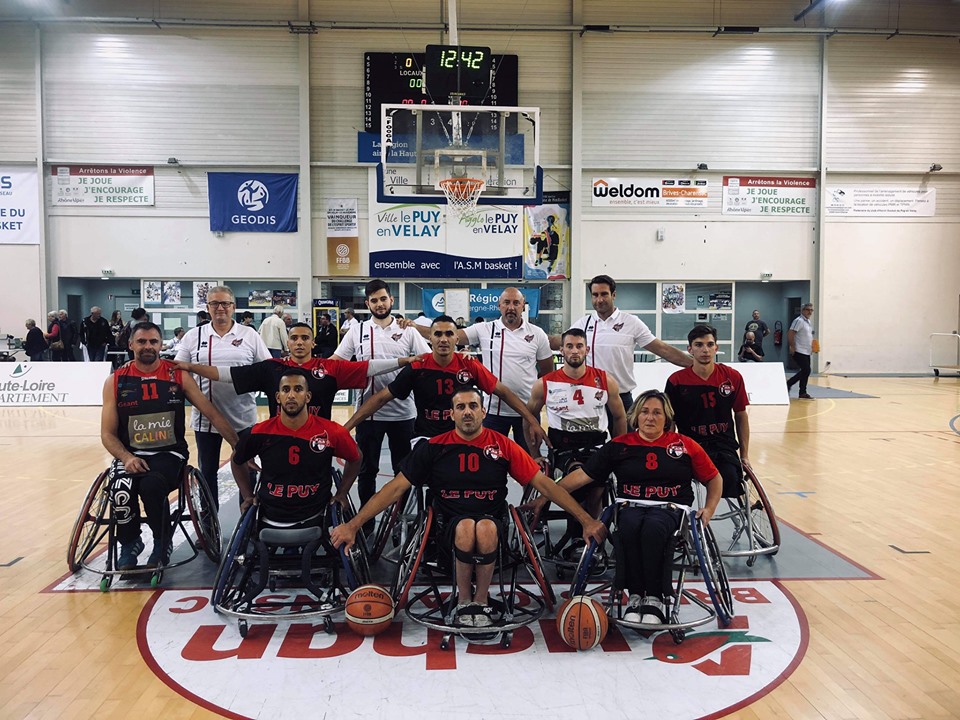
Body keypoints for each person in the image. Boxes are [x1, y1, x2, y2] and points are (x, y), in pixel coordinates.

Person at [331, 387, 605, 627]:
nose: (467, 412)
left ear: (483, 412)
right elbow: (394, 489)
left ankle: (481, 600)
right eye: (460, 407)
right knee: (465, 527)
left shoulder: (503, 445)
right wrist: (353, 525)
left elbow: (546, 485)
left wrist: (586, 520)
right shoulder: (434, 447)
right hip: (445, 527)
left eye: (473, 406)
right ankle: (464, 600)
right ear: (451, 414)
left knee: (484, 527)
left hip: (492, 522)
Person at [535, 389, 721, 625]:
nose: (650, 418)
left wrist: (710, 508)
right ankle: (634, 595)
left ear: (667, 418)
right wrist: (545, 496)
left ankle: (655, 597)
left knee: (653, 529)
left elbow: (714, 478)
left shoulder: (685, 445)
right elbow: (582, 476)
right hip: (630, 506)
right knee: (629, 527)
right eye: (644, 412)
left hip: (671, 509)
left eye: (657, 413)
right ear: (635, 416)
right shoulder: (619, 445)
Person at [101, 321, 238, 570]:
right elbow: (107, 434)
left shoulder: (177, 375)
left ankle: (161, 540)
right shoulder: (116, 381)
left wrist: (238, 446)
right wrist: (125, 457)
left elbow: (211, 412)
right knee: (121, 487)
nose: (148, 346)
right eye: (141, 341)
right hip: (131, 454)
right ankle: (130, 542)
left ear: (161, 345)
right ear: (130, 344)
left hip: (169, 453)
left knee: (152, 485)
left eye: (153, 341)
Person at [344, 315, 548, 451]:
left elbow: (504, 392)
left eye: (449, 334)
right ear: (430, 338)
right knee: (409, 477)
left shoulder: (469, 365)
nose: (443, 339)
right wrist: (346, 428)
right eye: (438, 334)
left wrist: (532, 420)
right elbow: (381, 398)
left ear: (457, 339)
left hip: (462, 437)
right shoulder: (418, 366)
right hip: (426, 439)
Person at [331, 279, 430, 535]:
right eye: (374, 300)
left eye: (383, 299)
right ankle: (366, 523)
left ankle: (400, 523)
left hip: (404, 414)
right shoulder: (357, 331)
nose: (379, 304)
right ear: (367, 304)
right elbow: (337, 362)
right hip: (368, 415)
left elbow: (427, 361)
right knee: (366, 471)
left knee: (403, 472)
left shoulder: (407, 330)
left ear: (391, 301)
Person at [178, 321, 410, 423]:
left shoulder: (329, 368)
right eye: (294, 338)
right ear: (287, 342)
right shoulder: (271, 368)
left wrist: (404, 360)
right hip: (279, 438)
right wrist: (189, 366)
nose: (299, 342)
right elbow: (226, 373)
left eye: (305, 338)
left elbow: (370, 366)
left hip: (317, 440)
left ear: (313, 343)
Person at [524, 327, 627, 557]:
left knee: (596, 479)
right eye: (569, 346)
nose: (574, 350)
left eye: (579, 346)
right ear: (561, 350)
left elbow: (619, 416)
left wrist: (620, 451)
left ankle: (586, 535)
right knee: (580, 473)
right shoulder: (545, 383)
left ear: (587, 349)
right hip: (563, 448)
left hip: (598, 445)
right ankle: (581, 532)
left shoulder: (604, 379)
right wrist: (534, 453)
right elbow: (529, 418)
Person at [412, 288, 553, 453]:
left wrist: (536, 407)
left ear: (523, 306)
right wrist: (413, 326)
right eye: (506, 302)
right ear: (499, 305)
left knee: (530, 464)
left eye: (516, 303)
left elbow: (547, 372)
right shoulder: (484, 329)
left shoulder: (537, 334)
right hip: (492, 413)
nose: (511, 307)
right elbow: (449, 335)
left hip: (527, 412)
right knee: (489, 465)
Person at [175, 286, 271, 508]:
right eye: (214, 304)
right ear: (207, 308)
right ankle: (209, 529)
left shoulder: (249, 335)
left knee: (248, 470)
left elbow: (266, 369)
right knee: (207, 474)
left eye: (225, 303)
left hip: (243, 418)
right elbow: (179, 369)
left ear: (233, 307)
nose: (220, 308)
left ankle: (249, 525)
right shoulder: (193, 336)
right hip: (205, 421)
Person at [231, 369, 361, 529]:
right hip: (270, 513)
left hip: (316, 513)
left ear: (308, 397)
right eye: (286, 390)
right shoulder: (259, 432)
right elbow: (236, 460)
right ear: (278, 397)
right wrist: (247, 495)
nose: (291, 395)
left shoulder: (332, 432)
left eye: (298, 389)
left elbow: (356, 457)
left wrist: (342, 493)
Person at [557, 275, 693, 414]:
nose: (599, 299)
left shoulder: (631, 322)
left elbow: (662, 349)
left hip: (622, 398)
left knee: (625, 436)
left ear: (613, 295)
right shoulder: (583, 324)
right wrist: (539, 338)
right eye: (595, 295)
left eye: (604, 294)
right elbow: (562, 343)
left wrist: (695, 365)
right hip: (590, 396)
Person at [665, 324, 751, 499]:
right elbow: (670, 422)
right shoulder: (676, 381)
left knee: (731, 478)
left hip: (723, 446)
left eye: (710, 344)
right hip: (689, 447)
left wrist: (745, 455)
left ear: (716, 348)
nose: (705, 350)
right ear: (690, 349)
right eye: (698, 345)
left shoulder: (732, 377)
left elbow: (741, 415)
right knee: (676, 487)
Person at [787, 303, 815, 400]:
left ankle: (802, 392)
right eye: (808, 309)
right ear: (803, 310)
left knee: (805, 371)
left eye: (811, 310)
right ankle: (789, 383)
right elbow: (791, 333)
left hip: (807, 351)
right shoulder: (798, 321)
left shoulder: (808, 322)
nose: (810, 312)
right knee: (806, 370)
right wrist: (792, 346)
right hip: (799, 350)